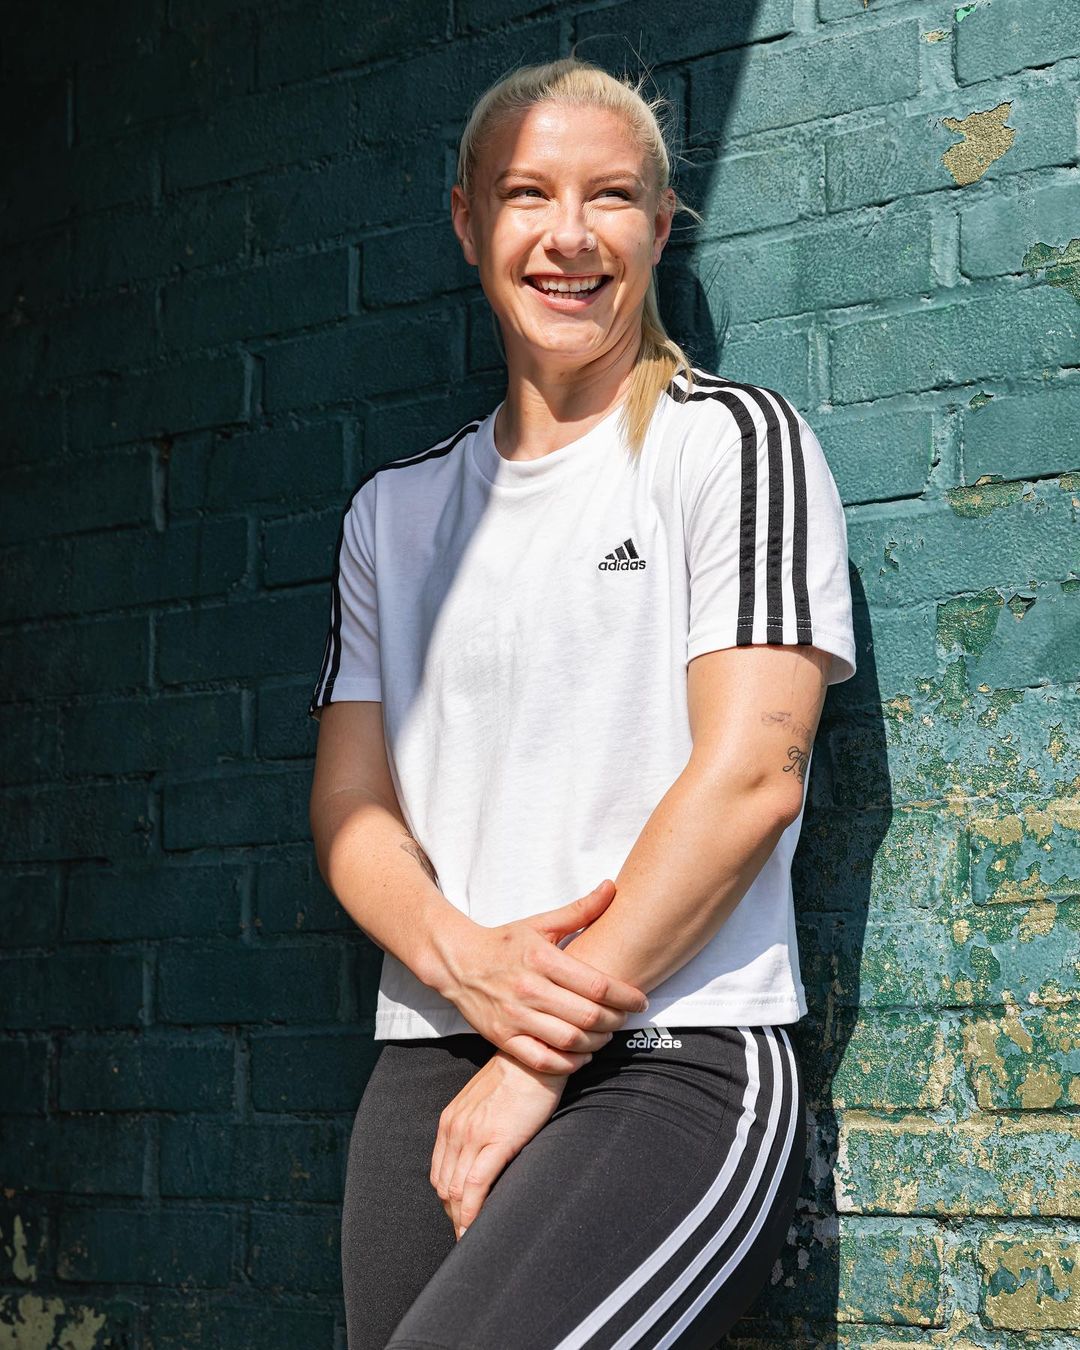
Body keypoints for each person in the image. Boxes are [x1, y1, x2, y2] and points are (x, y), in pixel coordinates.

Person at [307, 52, 856, 1350]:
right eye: (526, 195)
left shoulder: (731, 445)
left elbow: (752, 775)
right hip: (431, 1056)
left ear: (661, 228)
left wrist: (545, 1041)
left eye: (610, 197)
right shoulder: (393, 513)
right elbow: (349, 803)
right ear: (467, 220)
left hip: (671, 1054)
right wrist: (466, 958)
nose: (568, 235)